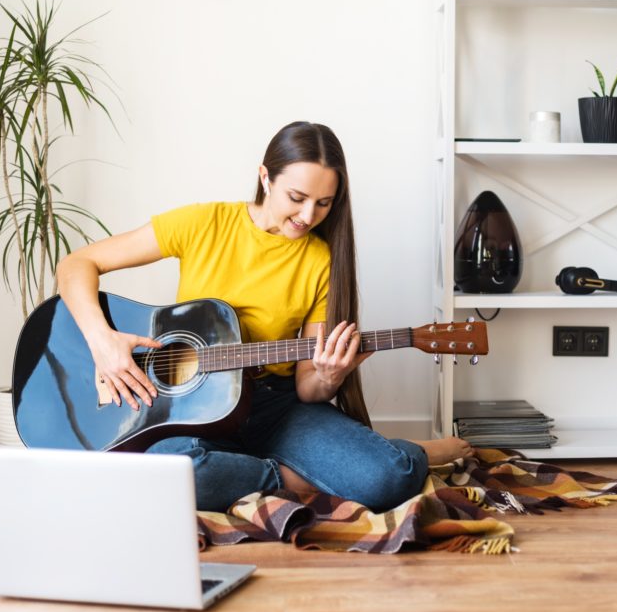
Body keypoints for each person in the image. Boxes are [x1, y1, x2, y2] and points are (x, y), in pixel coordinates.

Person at [56, 121, 474, 513]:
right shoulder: (203, 223)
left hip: (273, 404)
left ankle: (408, 452)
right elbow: (77, 264)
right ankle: (291, 477)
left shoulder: (321, 260)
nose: (309, 216)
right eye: (297, 197)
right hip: (186, 405)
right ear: (265, 177)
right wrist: (103, 342)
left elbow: (309, 388)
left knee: (388, 478)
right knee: (173, 471)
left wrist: (329, 375)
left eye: (324, 203)